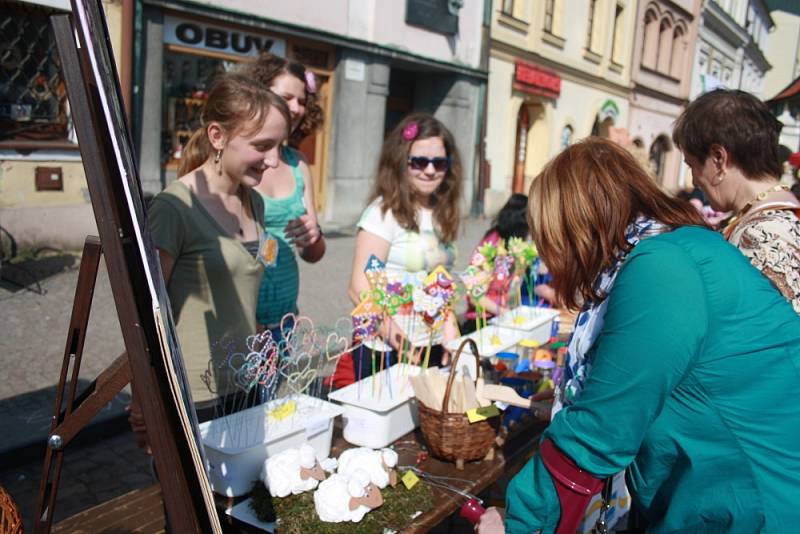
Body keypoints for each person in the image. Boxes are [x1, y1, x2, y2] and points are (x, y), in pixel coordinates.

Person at [476, 138, 800, 533]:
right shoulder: (682, 244)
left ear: (576, 227)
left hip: (751, 508)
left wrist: (519, 523)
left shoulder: (662, 269)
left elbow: (599, 431)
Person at [145, 72, 291, 422]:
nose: (273, 160)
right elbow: (144, 316)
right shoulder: (173, 208)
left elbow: (235, 288)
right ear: (217, 135)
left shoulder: (253, 201)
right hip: (195, 394)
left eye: (279, 146)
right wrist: (146, 399)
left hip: (248, 382)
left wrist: (259, 334)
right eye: (262, 146)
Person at [347, 113, 462, 375]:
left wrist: (449, 330)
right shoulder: (381, 214)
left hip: (429, 345)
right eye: (419, 162)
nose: (430, 170)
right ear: (400, 162)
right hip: (387, 350)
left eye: (439, 162)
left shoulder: (442, 213)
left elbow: (439, 282)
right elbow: (359, 288)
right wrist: (404, 346)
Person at [673, 89, 800, 313]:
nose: (694, 181)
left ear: (718, 159)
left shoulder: (763, 235)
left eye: (692, 165)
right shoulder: (770, 218)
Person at [237, 53, 326, 340]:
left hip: (284, 321)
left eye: (302, 101)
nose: (296, 108)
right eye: (286, 97)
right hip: (239, 321)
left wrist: (314, 236)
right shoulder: (238, 157)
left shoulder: (299, 163)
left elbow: (313, 255)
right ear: (259, 92)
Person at [461, 193, 554, 334]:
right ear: (521, 224)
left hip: (502, 318)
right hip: (481, 323)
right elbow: (474, 295)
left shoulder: (516, 245)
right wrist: (502, 311)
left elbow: (538, 270)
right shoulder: (491, 245)